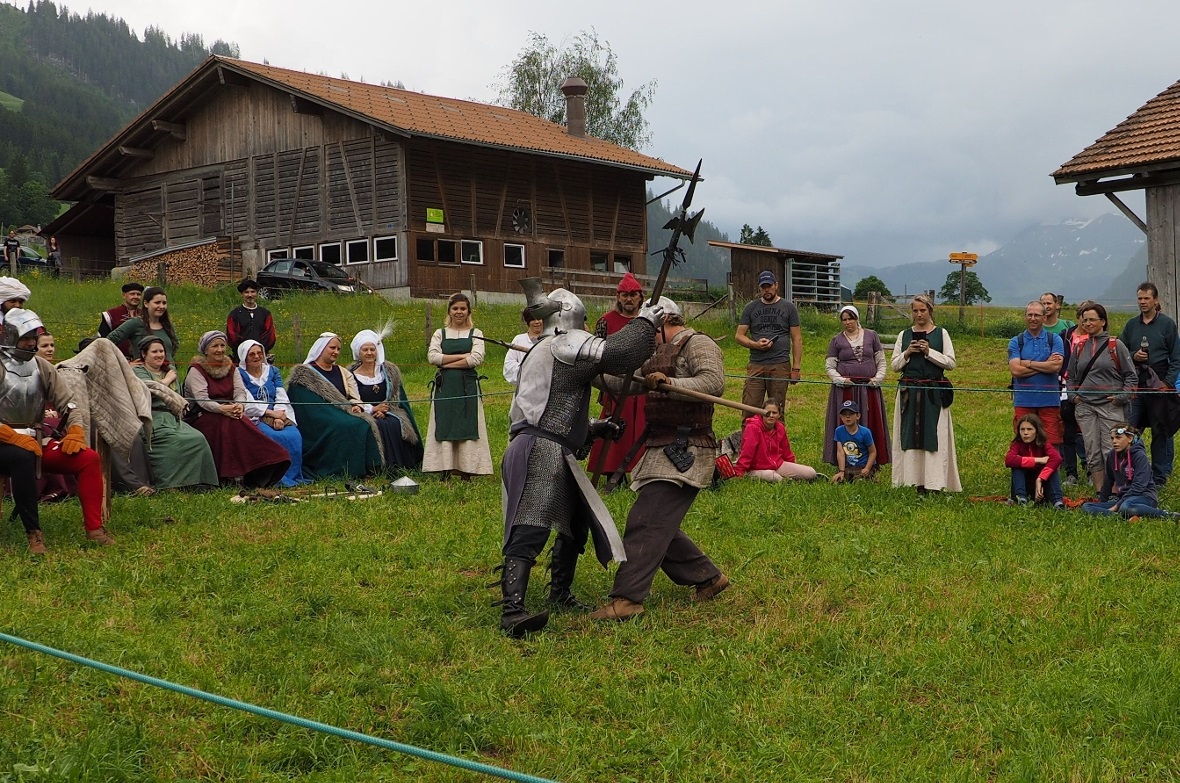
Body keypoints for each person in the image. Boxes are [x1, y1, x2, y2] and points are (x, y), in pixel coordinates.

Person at [497, 281, 661, 636]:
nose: (587, 330)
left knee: (574, 524)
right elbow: (620, 353)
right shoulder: (563, 342)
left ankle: (560, 593)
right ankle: (512, 611)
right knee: (532, 524)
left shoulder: (543, 350)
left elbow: (552, 409)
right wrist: (645, 320)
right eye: (584, 323)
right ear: (571, 319)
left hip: (550, 444)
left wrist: (594, 427)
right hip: (540, 448)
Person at [591, 298, 730, 622]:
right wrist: (585, 365)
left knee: (647, 520)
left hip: (688, 447)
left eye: (649, 330)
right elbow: (620, 383)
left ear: (666, 321)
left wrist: (671, 384)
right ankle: (708, 578)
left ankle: (627, 600)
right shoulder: (656, 351)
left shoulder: (699, 343)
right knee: (657, 520)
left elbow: (713, 382)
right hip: (660, 444)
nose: (645, 338)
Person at [0, 309, 113, 553]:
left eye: (33, 336)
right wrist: (12, 437)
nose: (31, 342)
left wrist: (75, 431)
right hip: (3, 443)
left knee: (88, 459)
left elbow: (69, 403)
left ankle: (94, 529)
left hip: (35, 440)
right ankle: (34, 534)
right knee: (22, 458)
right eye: (25, 336)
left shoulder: (41, 367)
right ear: (10, 335)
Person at [182, 330, 290, 487]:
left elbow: (240, 392)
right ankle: (227, 475)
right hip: (202, 415)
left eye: (222, 345)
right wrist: (222, 409)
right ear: (205, 350)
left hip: (230, 412)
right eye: (214, 346)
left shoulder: (231, 368)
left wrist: (239, 405)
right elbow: (202, 399)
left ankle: (264, 466)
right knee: (228, 425)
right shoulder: (196, 370)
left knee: (245, 426)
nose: (219, 349)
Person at [287, 332, 384, 479]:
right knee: (347, 425)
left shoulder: (343, 372)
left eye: (338, 349)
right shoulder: (305, 374)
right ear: (321, 348)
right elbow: (305, 404)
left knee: (362, 422)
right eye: (332, 348)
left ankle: (368, 469)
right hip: (317, 419)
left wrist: (356, 406)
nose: (336, 352)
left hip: (341, 412)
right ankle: (341, 470)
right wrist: (332, 414)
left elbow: (353, 397)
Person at [890, 294, 960, 493]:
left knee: (934, 436)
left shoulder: (941, 333)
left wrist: (929, 352)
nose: (919, 314)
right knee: (908, 435)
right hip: (909, 392)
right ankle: (911, 480)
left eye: (923, 310)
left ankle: (934, 482)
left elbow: (951, 362)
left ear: (930, 310)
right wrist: (908, 353)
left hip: (933, 393)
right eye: (915, 310)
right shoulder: (904, 335)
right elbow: (895, 365)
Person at [132, 336, 218, 490]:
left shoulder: (168, 371)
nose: (159, 355)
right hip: (152, 418)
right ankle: (170, 483)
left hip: (172, 417)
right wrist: (167, 380)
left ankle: (199, 481)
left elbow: (178, 397)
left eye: (162, 351)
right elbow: (146, 391)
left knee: (197, 438)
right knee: (175, 441)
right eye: (154, 352)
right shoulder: (138, 371)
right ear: (144, 354)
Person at [586, 272, 648, 482]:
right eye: (624, 295)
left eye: (632, 294)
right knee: (615, 427)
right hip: (614, 384)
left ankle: (641, 473)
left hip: (642, 384)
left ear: (640, 296)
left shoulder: (648, 321)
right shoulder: (605, 321)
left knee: (642, 427)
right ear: (618, 296)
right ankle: (612, 472)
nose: (628, 299)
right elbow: (596, 354)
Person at [423, 292, 492, 479]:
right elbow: (432, 357)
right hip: (446, 386)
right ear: (449, 311)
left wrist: (445, 362)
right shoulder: (440, 333)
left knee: (467, 424)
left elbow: (476, 358)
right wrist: (463, 356)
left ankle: (466, 470)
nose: (459, 312)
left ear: (468, 311)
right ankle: (445, 469)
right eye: (455, 308)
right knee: (445, 423)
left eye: (463, 308)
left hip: (467, 385)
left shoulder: (476, 333)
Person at [1068, 302, 1136, 491]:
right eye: (1085, 319)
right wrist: (1074, 397)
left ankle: (1115, 491)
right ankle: (1100, 492)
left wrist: (1121, 397)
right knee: (1091, 450)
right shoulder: (1079, 347)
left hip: (1111, 407)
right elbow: (1071, 377)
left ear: (1103, 322)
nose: (1088, 323)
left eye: (1092, 319)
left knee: (1112, 449)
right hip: (1085, 407)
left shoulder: (1116, 345)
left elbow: (1131, 376)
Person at [1119, 282, 1180, 485]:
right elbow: (1119, 351)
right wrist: (1133, 356)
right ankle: (1128, 469)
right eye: (1139, 298)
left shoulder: (1167, 324)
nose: (1143, 302)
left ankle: (1160, 475)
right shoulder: (1131, 325)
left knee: (1160, 429)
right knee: (1130, 427)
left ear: (1156, 300)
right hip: (1137, 380)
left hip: (1159, 379)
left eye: (1146, 298)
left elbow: (1177, 356)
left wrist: (1167, 382)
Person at [823, 304, 889, 469]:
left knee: (870, 420)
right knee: (847, 420)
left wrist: (877, 378)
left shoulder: (871, 336)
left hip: (869, 389)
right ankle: (845, 461)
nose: (847, 322)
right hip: (846, 390)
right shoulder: (836, 340)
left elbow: (881, 360)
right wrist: (841, 380)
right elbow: (830, 366)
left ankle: (871, 461)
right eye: (844, 319)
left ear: (857, 318)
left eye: (850, 318)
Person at [348, 327, 423, 472]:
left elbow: (396, 396)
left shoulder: (389, 372)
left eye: (372, 349)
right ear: (359, 352)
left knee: (393, 423)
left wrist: (385, 409)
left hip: (390, 411)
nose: (369, 353)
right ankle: (376, 467)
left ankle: (401, 465)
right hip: (364, 412)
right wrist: (373, 409)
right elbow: (350, 398)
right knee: (376, 425)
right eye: (365, 350)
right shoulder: (350, 375)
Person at [237, 339, 310, 487]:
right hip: (256, 417)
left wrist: (280, 415)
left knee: (293, 435)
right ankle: (273, 478)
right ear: (244, 357)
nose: (257, 357)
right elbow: (248, 403)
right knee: (269, 436)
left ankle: (293, 476)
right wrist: (271, 414)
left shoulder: (272, 371)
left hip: (278, 414)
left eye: (259, 353)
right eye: (252, 354)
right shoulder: (239, 374)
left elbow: (281, 395)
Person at [736, 270, 802, 416]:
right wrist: (756, 344)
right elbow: (739, 336)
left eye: (769, 286)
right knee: (750, 409)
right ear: (759, 288)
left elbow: (797, 338)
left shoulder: (788, 308)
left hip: (780, 364)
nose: (767, 289)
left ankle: (776, 439)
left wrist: (796, 369)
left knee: (776, 411)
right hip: (756, 364)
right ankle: (750, 438)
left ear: (776, 285)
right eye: (763, 287)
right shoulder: (750, 308)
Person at [1081, 423, 1178, 520]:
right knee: (1087, 507)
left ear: (1130, 439)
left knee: (1126, 507)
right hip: (1123, 499)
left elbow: (1139, 486)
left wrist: (1116, 506)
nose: (1114, 441)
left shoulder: (1140, 456)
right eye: (1112, 438)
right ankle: (1124, 517)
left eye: (1118, 438)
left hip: (1144, 497)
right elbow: (1108, 481)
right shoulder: (1112, 455)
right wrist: (1102, 502)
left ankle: (1166, 515)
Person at [1008, 300, 1065, 448]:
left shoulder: (1055, 339)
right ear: (1025, 317)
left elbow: (1056, 366)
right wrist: (1045, 363)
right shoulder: (1016, 341)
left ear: (1044, 318)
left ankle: (1051, 471)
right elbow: (1015, 370)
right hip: (1023, 401)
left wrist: (1027, 363)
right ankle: (1027, 470)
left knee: (1052, 443)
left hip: (1050, 401)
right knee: (1024, 442)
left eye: (1037, 315)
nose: (1033, 318)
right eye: (1029, 315)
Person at [734, 401, 817, 482]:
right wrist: (739, 472)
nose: (771, 415)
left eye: (774, 413)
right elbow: (747, 453)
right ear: (761, 413)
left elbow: (786, 452)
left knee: (811, 473)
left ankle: (787, 478)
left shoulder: (780, 428)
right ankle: (753, 476)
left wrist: (793, 467)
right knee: (773, 476)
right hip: (756, 468)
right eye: (767, 412)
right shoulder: (753, 428)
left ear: (779, 415)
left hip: (777, 465)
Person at [104, 286, 179, 362]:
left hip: (170, 372)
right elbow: (107, 342)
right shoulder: (135, 323)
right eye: (157, 303)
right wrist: (126, 364)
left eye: (164, 303)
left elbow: (173, 348)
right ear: (146, 304)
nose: (161, 306)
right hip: (143, 372)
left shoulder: (167, 325)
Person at [1005, 412, 1064, 508]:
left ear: (1037, 431)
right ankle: (1020, 498)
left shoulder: (1044, 443)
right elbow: (1009, 459)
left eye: (1029, 429)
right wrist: (1038, 460)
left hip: (1042, 487)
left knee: (1051, 468)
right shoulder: (1017, 444)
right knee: (1017, 467)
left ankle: (1057, 501)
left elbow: (1057, 458)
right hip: (1025, 485)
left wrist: (1040, 479)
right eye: (1022, 429)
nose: (1025, 433)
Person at [226, 278, 276, 357]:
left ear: (256, 293)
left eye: (253, 292)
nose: (250, 295)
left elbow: (270, 335)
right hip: (240, 356)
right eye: (246, 292)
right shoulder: (235, 314)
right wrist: (246, 348)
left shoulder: (265, 313)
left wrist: (258, 349)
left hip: (261, 356)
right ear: (242, 294)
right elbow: (232, 335)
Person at [833, 400, 878, 482]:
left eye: (851, 414)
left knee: (861, 480)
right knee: (838, 480)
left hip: (863, 466)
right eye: (844, 414)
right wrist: (841, 471)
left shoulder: (865, 432)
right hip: (849, 467)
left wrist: (867, 468)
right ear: (841, 417)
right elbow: (840, 452)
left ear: (858, 416)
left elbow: (873, 452)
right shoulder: (838, 431)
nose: (847, 416)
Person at [99, 282, 145, 359]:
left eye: (138, 294)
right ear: (124, 295)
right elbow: (103, 339)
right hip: (117, 359)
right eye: (132, 294)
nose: (136, 297)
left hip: (142, 360)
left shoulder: (145, 314)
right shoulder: (111, 314)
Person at [503, 309, 544, 386]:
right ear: (527, 321)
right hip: (525, 389)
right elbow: (509, 366)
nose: (537, 322)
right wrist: (529, 369)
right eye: (532, 319)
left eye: (539, 319)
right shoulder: (519, 340)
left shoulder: (551, 339)